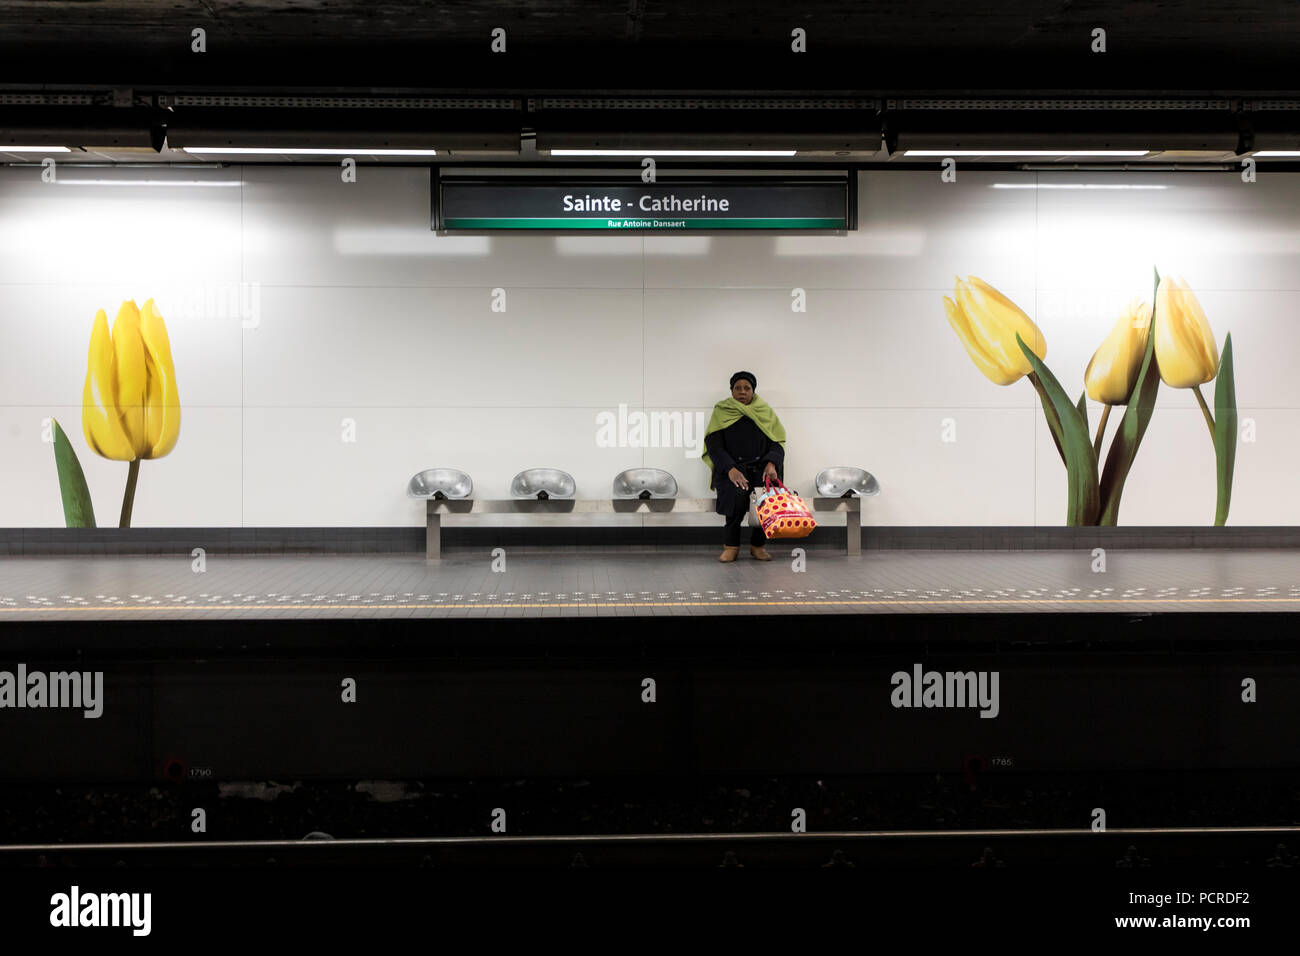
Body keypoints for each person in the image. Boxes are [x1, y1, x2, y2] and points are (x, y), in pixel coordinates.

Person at [701, 371, 787, 562]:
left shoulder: (765, 411)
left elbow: (777, 442)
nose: (742, 392)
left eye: (747, 388)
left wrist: (772, 463)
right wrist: (730, 469)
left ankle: (758, 546)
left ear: (753, 391)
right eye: (737, 388)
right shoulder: (721, 411)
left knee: (763, 503)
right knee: (736, 500)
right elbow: (714, 445)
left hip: (760, 469)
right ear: (731, 391)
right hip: (732, 470)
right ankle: (731, 546)